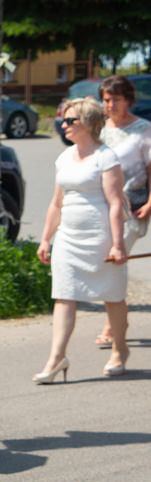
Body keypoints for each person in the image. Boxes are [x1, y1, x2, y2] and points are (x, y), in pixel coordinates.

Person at [35, 97, 128, 381]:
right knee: (64, 295)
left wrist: (117, 243)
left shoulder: (106, 157)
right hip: (68, 239)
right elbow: (56, 203)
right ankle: (56, 358)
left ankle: (120, 350)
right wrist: (45, 239)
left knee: (112, 296)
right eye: (62, 120)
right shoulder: (64, 158)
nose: (63, 125)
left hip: (99, 237)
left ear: (87, 123)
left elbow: (115, 203)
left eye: (69, 120)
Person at [93, 75, 151, 347]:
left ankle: (112, 325)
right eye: (106, 99)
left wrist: (150, 203)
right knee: (107, 264)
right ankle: (118, 319)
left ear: (128, 100)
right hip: (101, 207)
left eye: (115, 99)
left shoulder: (143, 130)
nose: (110, 105)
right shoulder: (99, 130)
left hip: (133, 208)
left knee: (116, 263)